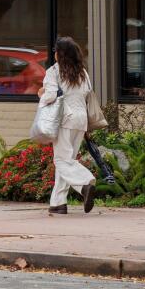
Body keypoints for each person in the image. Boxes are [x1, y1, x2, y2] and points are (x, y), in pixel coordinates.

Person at [37, 36, 96, 215]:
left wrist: (41, 94)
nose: (54, 54)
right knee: (66, 160)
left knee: (62, 160)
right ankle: (58, 203)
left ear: (60, 54)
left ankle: (85, 183)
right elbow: (87, 91)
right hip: (81, 120)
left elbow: (50, 96)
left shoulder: (54, 71)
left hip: (64, 119)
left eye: (56, 51)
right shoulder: (82, 72)